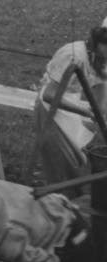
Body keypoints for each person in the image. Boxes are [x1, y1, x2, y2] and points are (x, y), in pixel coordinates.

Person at [33, 26, 107, 190]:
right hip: (51, 110)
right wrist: (86, 112)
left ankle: (77, 201)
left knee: (80, 162)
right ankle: (59, 204)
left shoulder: (100, 56)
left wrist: (101, 115)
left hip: (71, 105)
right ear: (100, 43)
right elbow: (50, 95)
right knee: (63, 164)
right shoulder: (73, 55)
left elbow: (101, 89)